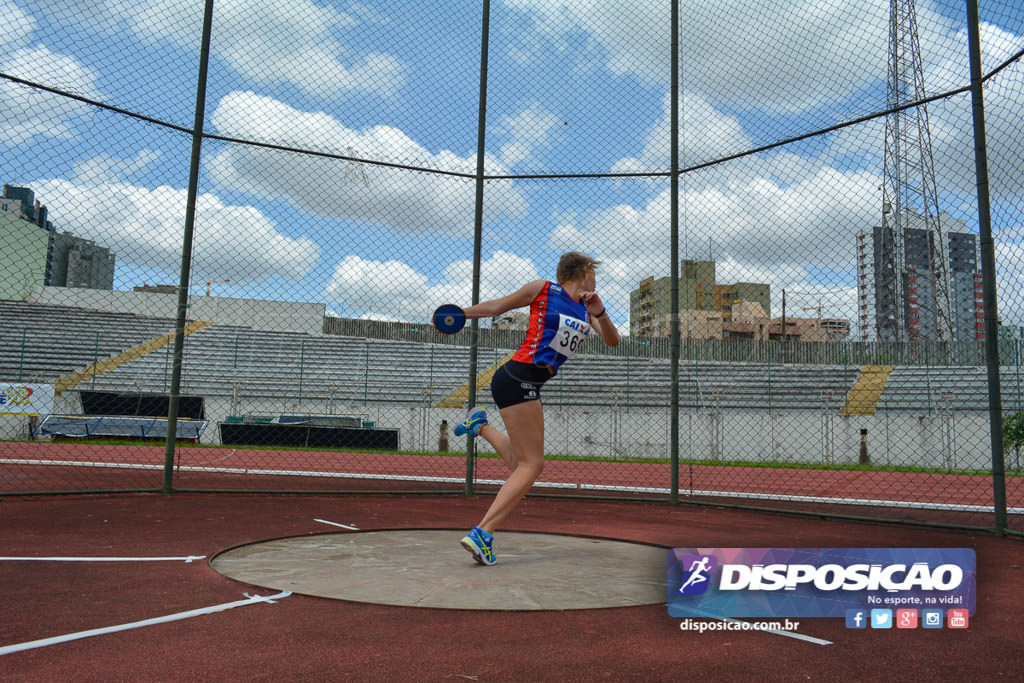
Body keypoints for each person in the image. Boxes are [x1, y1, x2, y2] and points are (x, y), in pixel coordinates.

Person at [453, 251, 619, 565]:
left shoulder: (588, 308)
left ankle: (480, 425)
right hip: (517, 375)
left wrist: (602, 312)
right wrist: (458, 314)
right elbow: (497, 306)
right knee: (533, 465)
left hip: (528, 382)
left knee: (521, 461)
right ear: (584, 270)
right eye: (594, 273)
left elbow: (613, 341)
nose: (597, 281)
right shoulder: (543, 289)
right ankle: (483, 533)